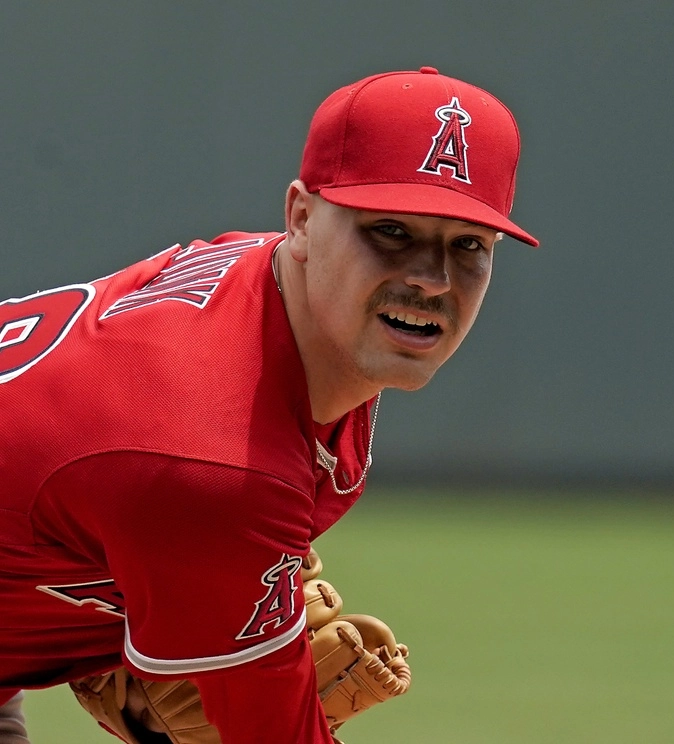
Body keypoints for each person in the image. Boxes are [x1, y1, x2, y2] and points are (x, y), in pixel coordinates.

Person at [0, 66, 537, 743]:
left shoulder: (279, 297)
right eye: (391, 231)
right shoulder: (214, 458)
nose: (431, 279)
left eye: (467, 245)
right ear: (302, 220)